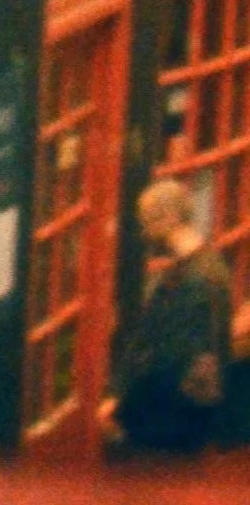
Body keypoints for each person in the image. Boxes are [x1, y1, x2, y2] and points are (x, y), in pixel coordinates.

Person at [99, 177, 234, 455]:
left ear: (168, 220)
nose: (144, 233)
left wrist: (121, 405)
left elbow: (170, 356)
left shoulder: (194, 280)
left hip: (176, 418)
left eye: (146, 222)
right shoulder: (207, 265)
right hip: (190, 409)